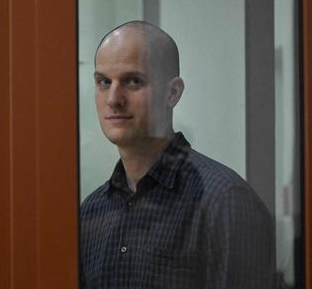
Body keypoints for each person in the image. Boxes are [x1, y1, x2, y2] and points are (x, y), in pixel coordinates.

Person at [79, 21, 274, 288]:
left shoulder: (224, 201)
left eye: (133, 81)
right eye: (104, 81)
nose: (113, 98)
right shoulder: (92, 211)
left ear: (172, 93)